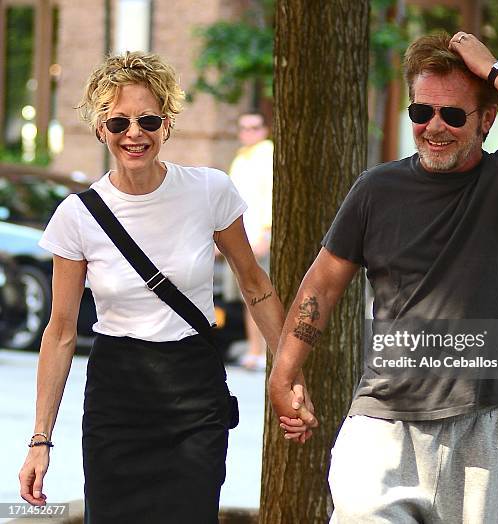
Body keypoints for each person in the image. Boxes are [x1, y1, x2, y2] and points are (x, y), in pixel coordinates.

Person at [268, 31, 498, 523]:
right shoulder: (377, 189)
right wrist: (285, 370)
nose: (435, 127)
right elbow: (322, 283)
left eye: (454, 114)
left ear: (486, 120)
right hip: (383, 419)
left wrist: (492, 68)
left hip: (482, 422)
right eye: (422, 112)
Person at [18, 50, 311, 523]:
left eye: (148, 119)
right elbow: (60, 330)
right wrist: (39, 441)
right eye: (119, 123)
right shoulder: (77, 216)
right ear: (100, 128)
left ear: (167, 123)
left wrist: (290, 376)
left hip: (194, 390)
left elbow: (256, 287)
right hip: (118, 393)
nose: (134, 133)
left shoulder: (209, 191)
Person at [224, 111, 273, 370]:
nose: (249, 132)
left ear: (265, 130)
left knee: (261, 293)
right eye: (244, 128)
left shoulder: (267, 154)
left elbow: (270, 197)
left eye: (255, 127)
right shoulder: (241, 157)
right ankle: (255, 350)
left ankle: (264, 351)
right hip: (244, 236)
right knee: (249, 295)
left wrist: (266, 232)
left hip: (261, 236)